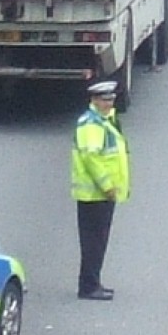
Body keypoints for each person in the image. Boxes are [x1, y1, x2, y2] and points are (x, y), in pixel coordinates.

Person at [71, 80, 130, 301]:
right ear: (94, 100)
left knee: (98, 241)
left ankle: (93, 282)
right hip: (95, 194)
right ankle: (88, 286)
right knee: (93, 242)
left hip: (100, 194)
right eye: (105, 100)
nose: (109, 103)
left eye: (111, 99)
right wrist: (107, 186)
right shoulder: (91, 125)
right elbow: (91, 158)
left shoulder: (104, 121)